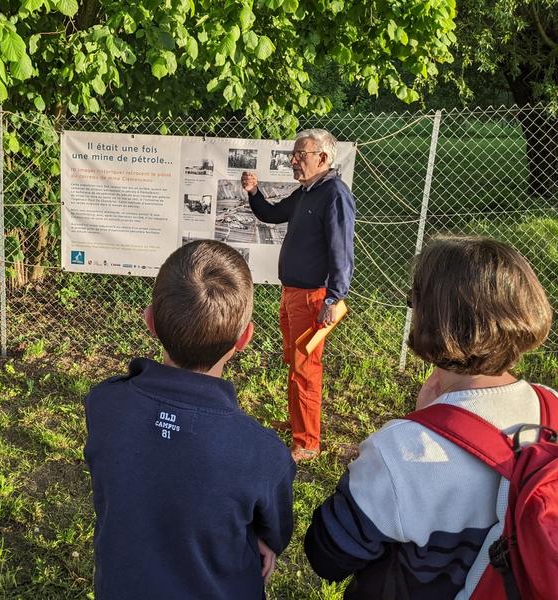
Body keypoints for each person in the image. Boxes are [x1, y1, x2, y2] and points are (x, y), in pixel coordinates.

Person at [304, 236, 554, 599]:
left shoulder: (402, 451)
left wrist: (424, 426)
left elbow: (327, 555)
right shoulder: (552, 408)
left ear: (432, 318)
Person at [84, 240, 295, 600]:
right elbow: (275, 531)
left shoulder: (104, 404)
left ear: (150, 321)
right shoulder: (264, 453)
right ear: (244, 338)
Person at [242, 128, 355, 462]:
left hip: (314, 299)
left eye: (299, 155)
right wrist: (253, 192)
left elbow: (342, 251)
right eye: (293, 154)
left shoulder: (334, 193)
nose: (292, 160)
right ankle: (298, 427)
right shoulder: (307, 191)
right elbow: (272, 214)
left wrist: (334, 299)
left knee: (306, 370)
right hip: (292, 295)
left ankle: (307, 442)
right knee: (294, 364)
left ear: (322, 157)